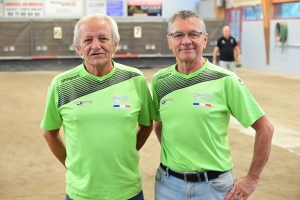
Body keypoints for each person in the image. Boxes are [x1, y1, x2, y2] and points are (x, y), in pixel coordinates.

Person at [151, 10, 274, 200]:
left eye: (193, 34)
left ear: (205, 39)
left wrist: (252, 179)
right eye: (178, 35)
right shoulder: (160, 81)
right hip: (168, 186)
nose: (186, 41)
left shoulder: (226, 80)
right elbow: (159, 125)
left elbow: (265, 128)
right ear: (169, 41)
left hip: (214, 188)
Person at [40, 13, 155, 200]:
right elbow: (49, 132)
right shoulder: (61, 84)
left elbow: (147, 124)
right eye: (87, 40)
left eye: (103, 38)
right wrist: (72, 165)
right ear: (78, 48)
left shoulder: (135, 79)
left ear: (115, 44)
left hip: (128, 191)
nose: (96, 46)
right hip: (81, 193)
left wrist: (126, 151)